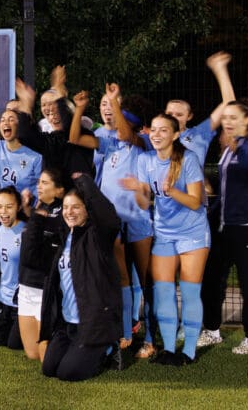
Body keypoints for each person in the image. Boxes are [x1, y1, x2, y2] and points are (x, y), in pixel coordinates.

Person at [70, 84, 155, 354]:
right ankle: (123, 333)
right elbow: (75, 138)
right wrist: (80, 109)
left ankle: (151, 338)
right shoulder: (110, 143)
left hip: (139, 223)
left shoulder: (144, 142)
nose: (116, 125)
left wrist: (115, 103)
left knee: (146, 281)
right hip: (111, 223)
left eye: (121, 121)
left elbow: (128, 132)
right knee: (121, 280)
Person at [121, 113, 208, 365]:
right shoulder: (145, 160)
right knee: (163, 292)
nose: (157, 135)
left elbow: (195, 201)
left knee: (190, 292)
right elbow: (144, 203)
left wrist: (172, 192)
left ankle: (188, 352)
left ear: (175, 135)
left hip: (193, 233)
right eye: (154, 130)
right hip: (165, 233)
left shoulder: (188, 159)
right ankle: (169, 350)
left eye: (163, 130)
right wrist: (140, 190)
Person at [198, 53, 248, 355]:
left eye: (233, 119)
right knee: (212, 280)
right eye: (225, 120)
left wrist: (238, 146)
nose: (226, 123)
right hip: (224, 227)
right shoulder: (228, 146)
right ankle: (212, 330)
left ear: (247, 121)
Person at [37, 173, 122, 381]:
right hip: (67, 324)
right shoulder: (67, 236)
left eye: (76, 207)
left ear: (87, 209)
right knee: (49, 368)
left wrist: (85, 182)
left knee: (68, 372)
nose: (69, 212)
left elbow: (109, 217)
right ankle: (78, 349)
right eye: (66, 207)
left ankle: (108, 348)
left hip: (92, 324)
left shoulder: (97, 236)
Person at [18, 167, 66, 361]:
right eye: (39, 182)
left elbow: (35, 253)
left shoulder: (63, 211)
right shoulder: (40, 208)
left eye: (45, 183)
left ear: (59, 190)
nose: (39, 186)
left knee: (45, 356)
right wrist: (29, 212)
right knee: (31, 354)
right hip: (26, 285)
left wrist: (35, 218)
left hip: (44, 288)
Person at [0, 186, 25, 351]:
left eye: (9, 207)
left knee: (13, 345)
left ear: (18, 207)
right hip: (3, 299)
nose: (3, 212)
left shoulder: (26, 232)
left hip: (21, 302)